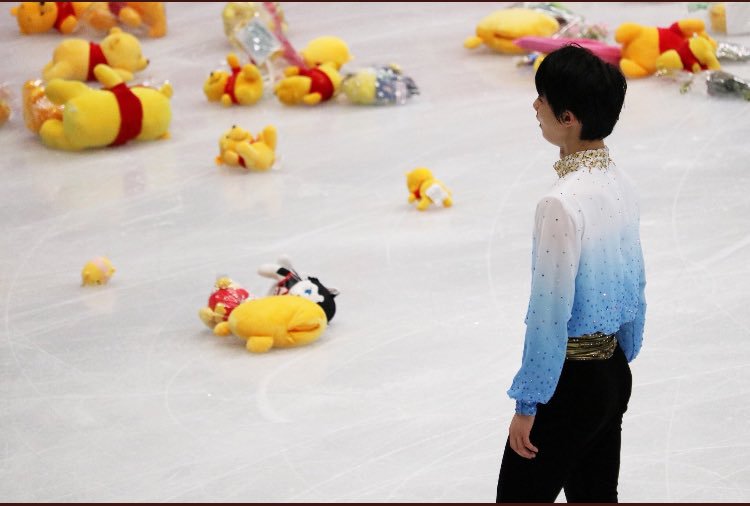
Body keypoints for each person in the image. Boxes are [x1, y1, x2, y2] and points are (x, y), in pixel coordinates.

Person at [496, 45, 646, 503]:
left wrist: (528, 403)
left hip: (568, 388)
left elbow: (548, 315)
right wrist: (620, 360)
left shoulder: (561, 203)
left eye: (542, 98)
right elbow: (636, 284)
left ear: (568, 118)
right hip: (612, 374)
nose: (534, 106)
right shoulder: (619, 181)